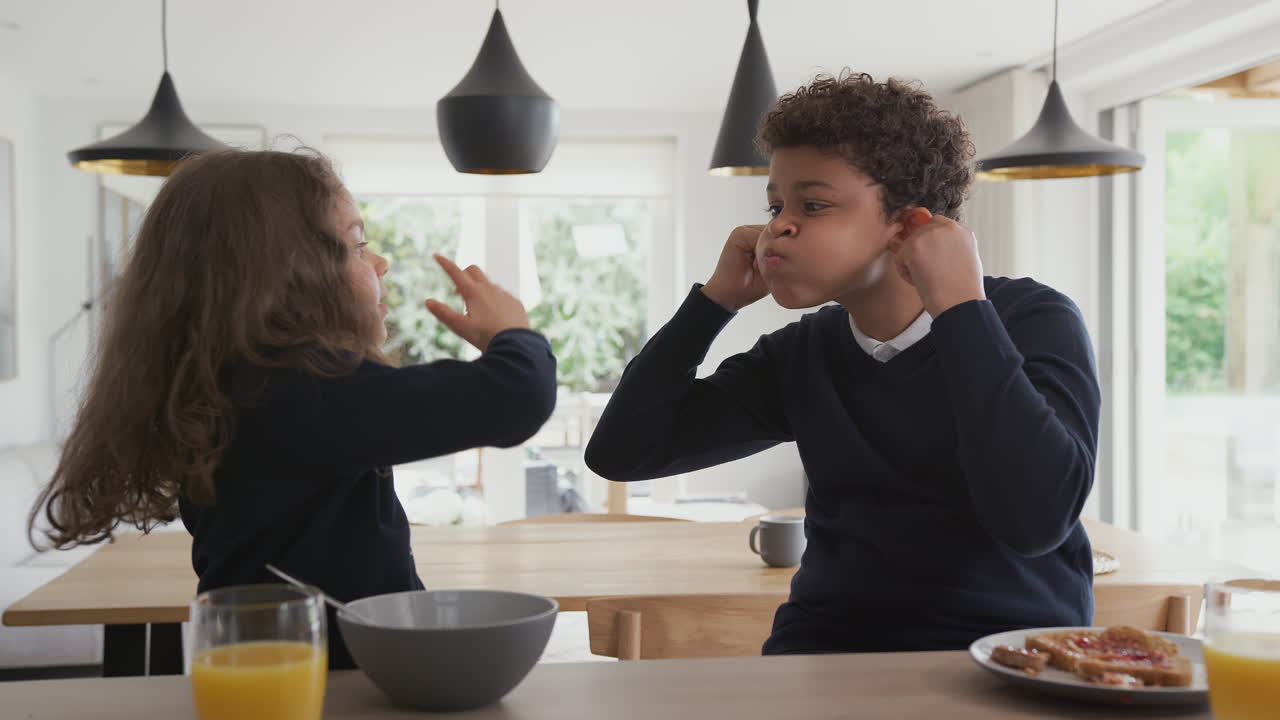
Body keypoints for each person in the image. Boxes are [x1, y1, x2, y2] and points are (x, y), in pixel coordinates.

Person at [585, 72, 1101, 654]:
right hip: (828, 652)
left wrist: (961, 309)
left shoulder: (1030, 319)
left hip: (1012, 656)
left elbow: (1033, 521)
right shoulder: (802, 353)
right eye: (776, 203)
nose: (778, 224)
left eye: (813, 204)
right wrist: (712, 304)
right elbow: (622, 453)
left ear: (906, 227)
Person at [30, 149, 557, 668]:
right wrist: (513, 331)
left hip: (276, 661)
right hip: (313, 682)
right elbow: (515, 396)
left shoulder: (238, 384)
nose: (381, 262)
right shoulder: (296, 391)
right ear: (291, 273)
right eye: (356, 245)